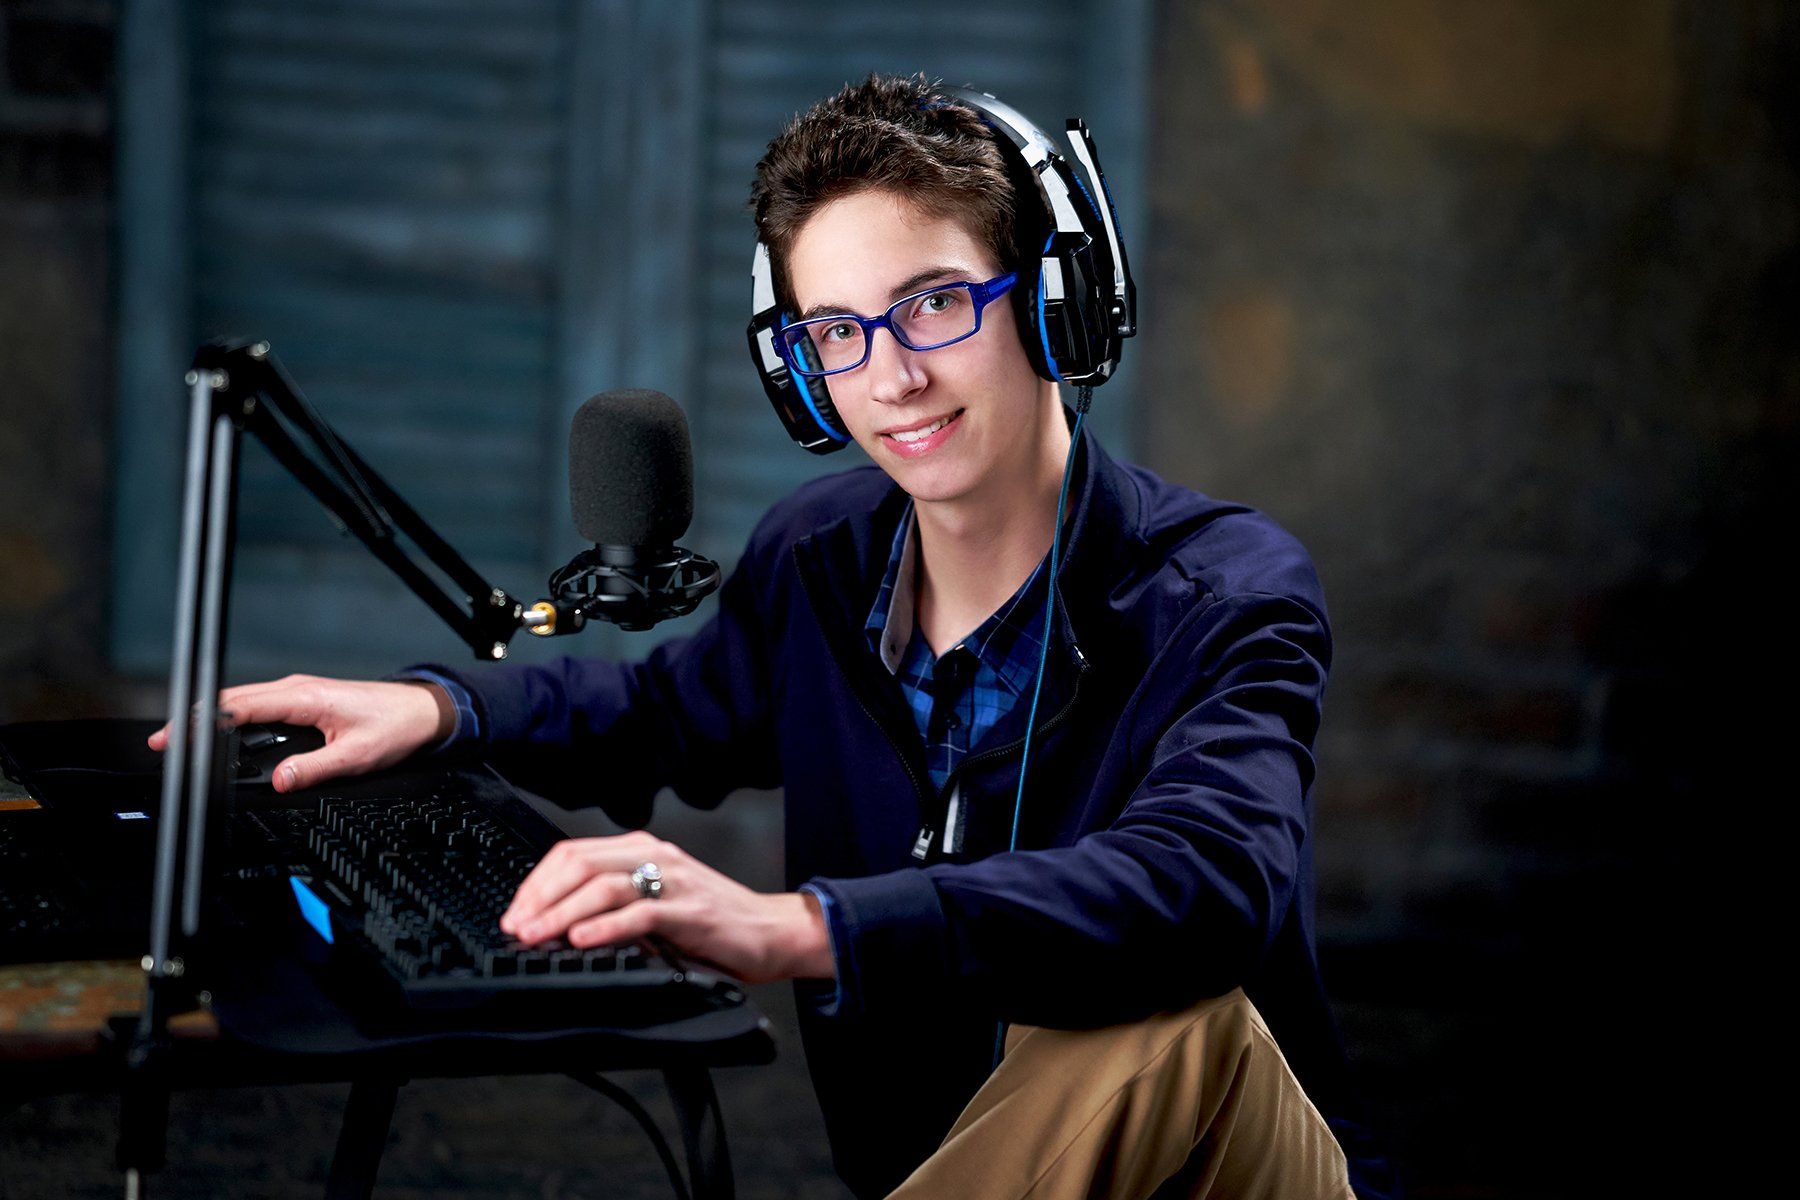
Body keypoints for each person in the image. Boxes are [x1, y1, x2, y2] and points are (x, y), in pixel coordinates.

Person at [151, 75, 1395, 1199]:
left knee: (1168, 1022)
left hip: (1226, 1172)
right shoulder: (821, 553)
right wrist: (445, 710)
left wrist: (801, 928)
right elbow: (664, 712)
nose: (891, 376)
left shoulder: (1225, 588)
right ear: (797, 367)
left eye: (938, 305)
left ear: (1054, 303)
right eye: (837, 333)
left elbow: (1207, 884)